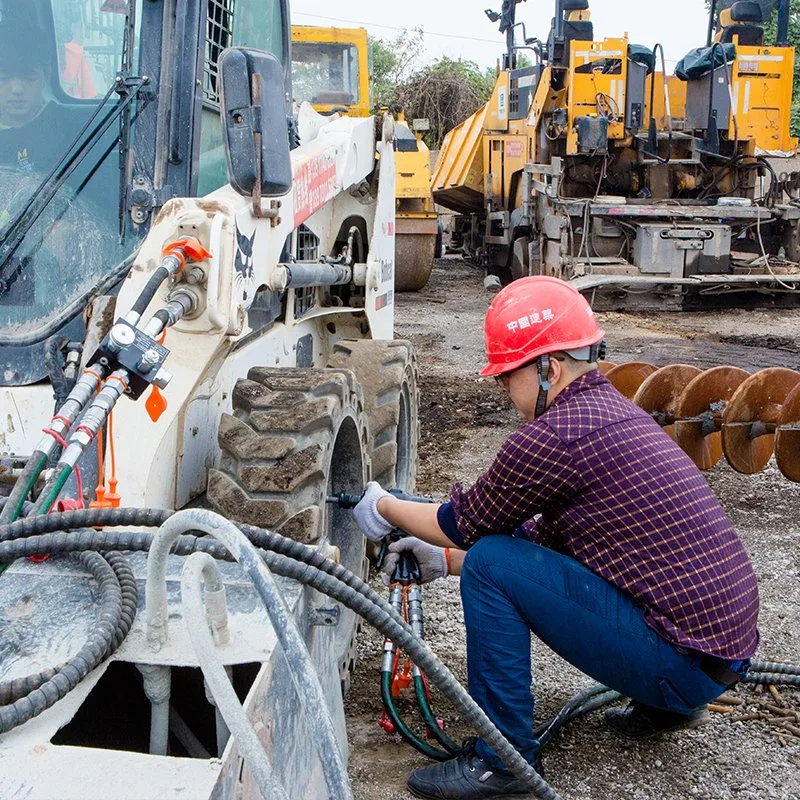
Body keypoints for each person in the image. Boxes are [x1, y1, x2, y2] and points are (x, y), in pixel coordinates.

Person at [353, 276, 759, 800]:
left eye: (507, 375)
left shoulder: (556, 435)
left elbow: (467, 524)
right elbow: (544, 541)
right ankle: (666, 706)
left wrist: (383, 506)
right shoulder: (611, 413)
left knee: (491, 564)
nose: (503, 389)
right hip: (717, 659)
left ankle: (503, 762)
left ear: (549, 367)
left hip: (680, 665)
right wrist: (442, 560)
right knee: (498, 557)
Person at [0, 26, 66, 173]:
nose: (17, 89)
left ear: (46, 76)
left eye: (29, 78)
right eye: (4, 78)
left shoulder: (73, 132)